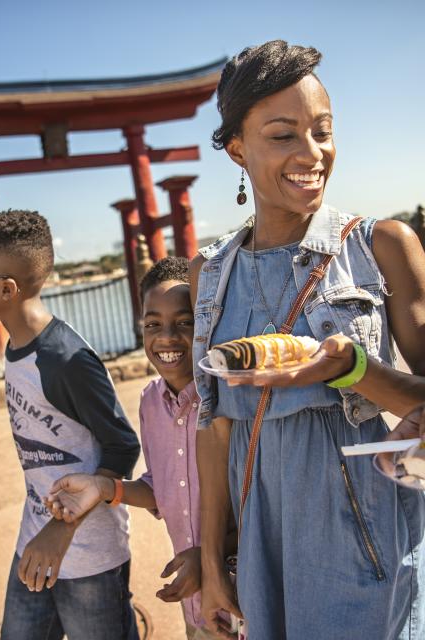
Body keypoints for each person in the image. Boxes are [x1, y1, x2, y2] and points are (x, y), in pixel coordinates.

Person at [189, 41, 425, 639]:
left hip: (373, 542)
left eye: (322, 131)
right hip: (265, 551)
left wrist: (350, 370)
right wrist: (215, 567)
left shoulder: (383, 248)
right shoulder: (209, 276)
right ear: (237, 148)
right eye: (283, 135)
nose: (312, 153)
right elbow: (216, 430)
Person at [0, 210, 141, 640]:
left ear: (7, 289)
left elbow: (122, 447)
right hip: (35, 541)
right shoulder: (17, 346)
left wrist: (61, 530)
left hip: (89, 557)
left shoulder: (65, 359)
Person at [46, 256, 235, 639]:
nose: (166, 337)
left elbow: (261, 500)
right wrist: (104, 489)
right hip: (197, 607)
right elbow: (161, 488)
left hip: (245, 592)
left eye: (185, 322)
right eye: (153, 324)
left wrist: (209, 559)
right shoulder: (151, 402)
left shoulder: (230, 400)